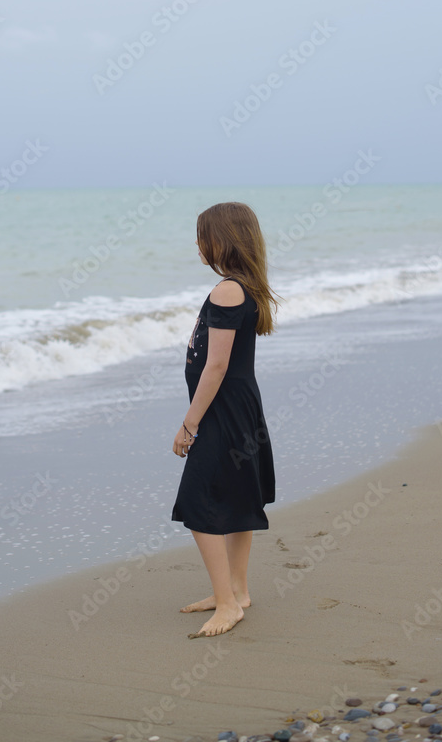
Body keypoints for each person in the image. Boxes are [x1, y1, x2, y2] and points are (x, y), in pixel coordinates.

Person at [171, 201, 279, 638]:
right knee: (236, 497)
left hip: (221, 410)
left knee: (198, 503)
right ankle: (235, 590)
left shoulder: (227, 290)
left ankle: (229, 603)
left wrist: (189, 423)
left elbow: (215, 367)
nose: (198, 245)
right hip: (240, 405)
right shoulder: (245, 286)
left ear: (223, 239)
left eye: (203, 236)